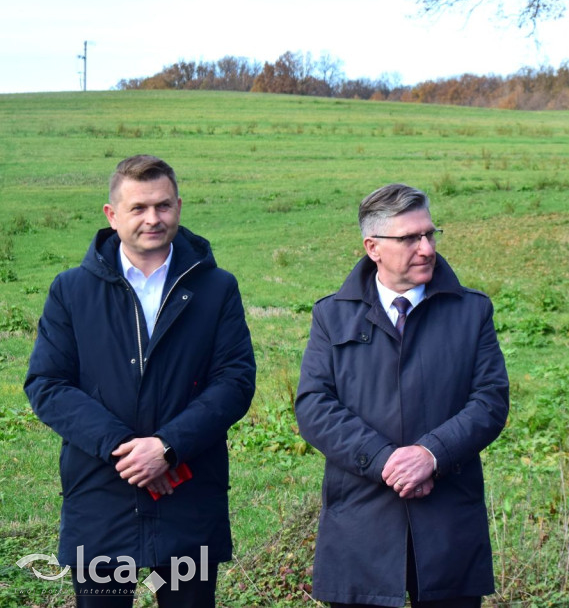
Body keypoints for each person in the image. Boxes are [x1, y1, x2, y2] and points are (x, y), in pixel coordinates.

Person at [25, 155, 257, 607]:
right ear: (112, 215)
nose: (153, 218)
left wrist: (168, 447)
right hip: (102, 496)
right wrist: (127, 449)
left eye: (163, 205)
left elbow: (235, 381)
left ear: (179, 207)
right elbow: (47, 384)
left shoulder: (217, 288)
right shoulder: (70, 291)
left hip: (188, 492)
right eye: (138, 208)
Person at [295, 183, 509, 608]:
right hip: (361, 523)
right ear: (372, 247)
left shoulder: (471, 311)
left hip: (448, 521)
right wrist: (385, 461)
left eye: (429, 234)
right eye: (410, 238)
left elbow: (489, 401)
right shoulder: (332, 315)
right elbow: (315, 406)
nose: (426, 249)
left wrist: (431, 455)